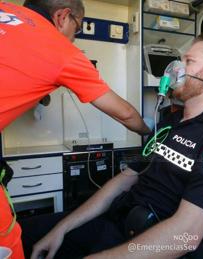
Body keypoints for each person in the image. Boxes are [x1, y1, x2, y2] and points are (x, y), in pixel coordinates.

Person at [20, 34, 203, 259]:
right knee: (22, 233)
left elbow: (186, 235)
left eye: (189, 61)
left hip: (153, 244)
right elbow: (125, 179)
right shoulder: (170, 123)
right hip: (118, 223)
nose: (176, 69)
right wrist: (63, 227)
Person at [0, 1, 150, 258]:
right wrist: (150, 133)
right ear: (62, 16)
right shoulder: (60, 50)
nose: (74, 37)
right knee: (8, 242)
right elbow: (125, 113)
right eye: (77, 28)